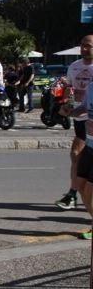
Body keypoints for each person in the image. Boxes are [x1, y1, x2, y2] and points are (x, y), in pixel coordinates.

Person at [55, 35, 93, 234]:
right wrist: (68, 109)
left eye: (89, 46)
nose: (84, 49)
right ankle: (72, 193)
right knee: (81, 180)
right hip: (85, 128)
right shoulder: (76, 69)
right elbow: (72, 94)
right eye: (83, 45)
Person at [59, 74, 93, 241]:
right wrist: (70, 112)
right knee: (80, 187)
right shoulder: (91, 87)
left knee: (90, 192)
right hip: (90, 144)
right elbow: (85, 108)